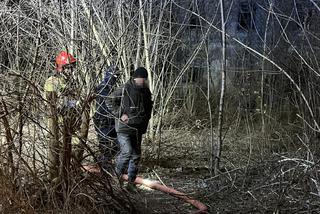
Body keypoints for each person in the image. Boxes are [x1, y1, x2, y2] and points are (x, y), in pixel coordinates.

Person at [107, 67, 153, 190]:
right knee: (126, 152)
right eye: (140, 78)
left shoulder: (146, 92)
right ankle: (117, 180)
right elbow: (109, 100)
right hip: (123, 128)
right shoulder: (124, 89)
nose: (141, 81)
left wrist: (144, 124)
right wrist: (119, 114)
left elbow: (148, 110)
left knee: (136, 156)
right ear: (134, 77)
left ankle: (131, 183)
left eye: (144, 79)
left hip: (137, 129)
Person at [44, 51, 81, 183]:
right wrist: (72, 103)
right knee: (57, 150)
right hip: (58, 123)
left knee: (75, 146)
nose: (71, 70)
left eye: (72, 67)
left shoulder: (70, 81)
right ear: (61, 68)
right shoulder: (52, 81)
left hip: (71, 121)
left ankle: (71, 174)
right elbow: (51, 103)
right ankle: (54, 178)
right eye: (68, 67)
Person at [93, 66, 119, 171]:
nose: (116, 78)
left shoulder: (111, 87)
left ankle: (106, 164)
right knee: (105, 147)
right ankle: (104, 168)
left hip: (111, 121)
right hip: (103, 122)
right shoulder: (103, 87)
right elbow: (105, 106)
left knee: (119, 143)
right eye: (115, 76)